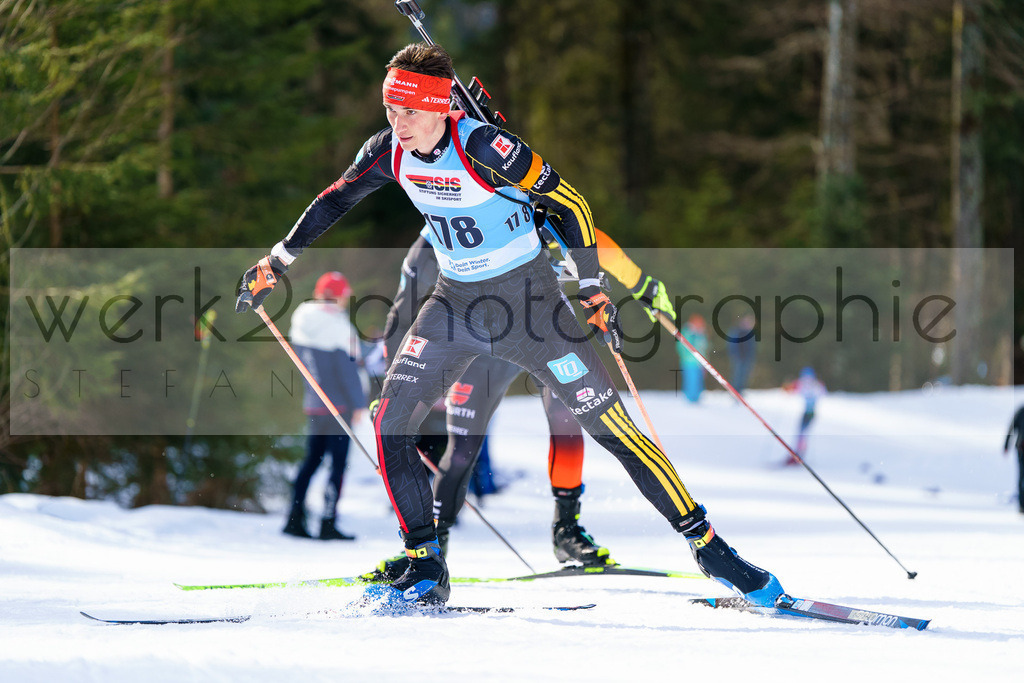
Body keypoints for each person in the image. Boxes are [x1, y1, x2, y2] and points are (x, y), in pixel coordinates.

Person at [236, 42, 784, 609]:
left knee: (611, 428)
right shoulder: (388, 153)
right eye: (390, 111)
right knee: (390, 419)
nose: (398, 124)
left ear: (442, 107)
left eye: (410, 112)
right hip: (454, 306)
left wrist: (592, 287)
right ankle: (425, 562)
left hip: (532, 307)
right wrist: (275, 261)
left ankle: (710, 548)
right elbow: (335, 199)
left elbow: (571, 205)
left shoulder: (485, 148)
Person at [364, 225, 675, 582]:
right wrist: (388, 393)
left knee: (567, 421)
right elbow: (403, 311)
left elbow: (586, 234)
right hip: (479, 348)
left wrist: (641, 284)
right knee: (463, 448)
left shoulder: (509, 196)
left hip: (541, 331)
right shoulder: (429, 243)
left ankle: (567, 530)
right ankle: (432, 548)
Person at [282, 271, 367, 540]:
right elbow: (348, 370)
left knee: (312, 461)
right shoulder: (339, 326)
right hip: (339, 406)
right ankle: (328, 522)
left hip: (314, 403)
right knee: (338, 465)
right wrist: (359, 404)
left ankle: (294, 519)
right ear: (340, 295)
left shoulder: (302, 318)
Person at [782, 367, 826, 466]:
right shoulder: (806, 384)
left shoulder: (814, 385)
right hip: (807, 412)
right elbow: (791, 388)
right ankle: (797, 454)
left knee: (802, 433)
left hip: (810, 413)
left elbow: (822, 392)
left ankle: (798, 455)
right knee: (801, 433)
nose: (807, 380)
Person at [677, 314, 708, 403]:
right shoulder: (688, 332)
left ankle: (696, 399)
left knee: (698, 382)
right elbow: (681, 347)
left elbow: (704, 348)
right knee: (691, 381)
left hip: (700, 363)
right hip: (689, 362)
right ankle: (690, 399)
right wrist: (687, 356)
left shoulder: (701, 334)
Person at [726, 314, 757, 395]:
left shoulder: (750, 334)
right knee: (737, 376)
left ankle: (740, 391)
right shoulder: (737, 331)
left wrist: (751, 357)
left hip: (746, 358)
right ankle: (735, 392)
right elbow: (732, 345)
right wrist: (734, 355)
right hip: (738, 357)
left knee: (744, 376)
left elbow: (752, 347)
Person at [1003, 405, 1024, 513]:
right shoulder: (1021, 412)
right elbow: (1011, 428)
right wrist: (1006, 445)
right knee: (1021, 477)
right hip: (1022, 450)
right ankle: (1022, 505)